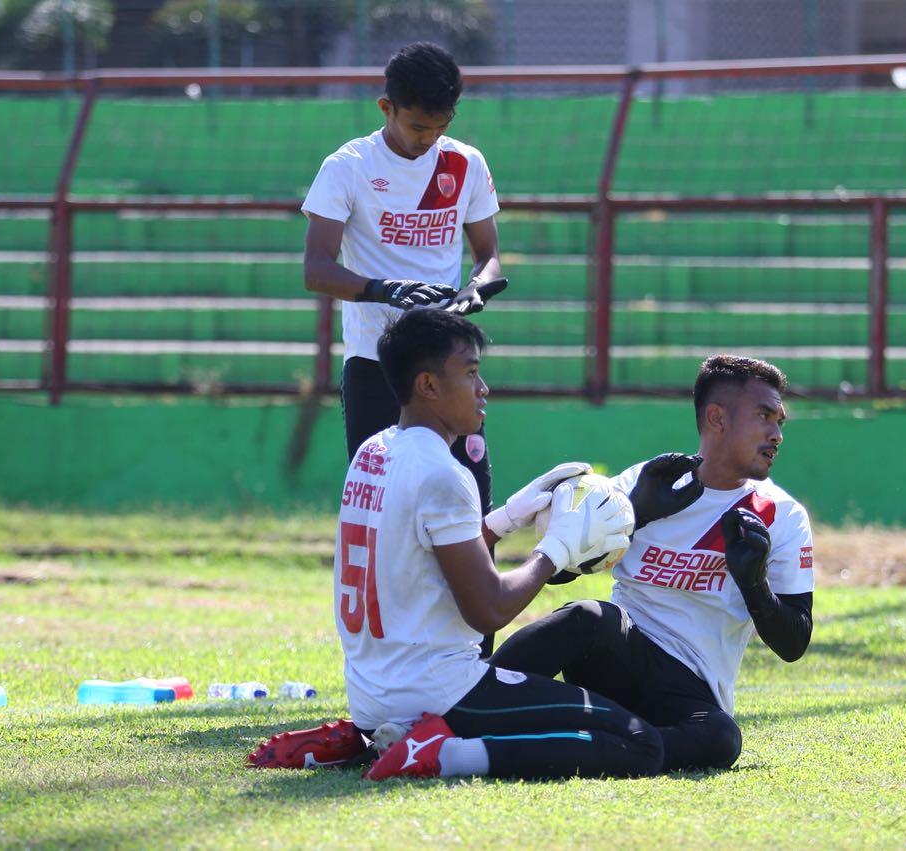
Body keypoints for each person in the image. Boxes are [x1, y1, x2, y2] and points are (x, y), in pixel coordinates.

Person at [250, 308, 666, 781]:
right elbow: (488, 611)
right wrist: (556, 549)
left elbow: (422, 555)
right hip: (438, 691)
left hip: (373, 693)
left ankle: (364, 739)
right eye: (470, 373)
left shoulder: (375, 450)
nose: (483, 388)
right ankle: (439, 755)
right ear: (428, 386)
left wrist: (508, 517)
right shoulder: (444, 474)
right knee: (640, 742)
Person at [489, 354, 816, 772]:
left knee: (721, 738)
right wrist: (637, 513)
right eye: (764, 416)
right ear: (717, 418)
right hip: (617, 658)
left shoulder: (782, 515)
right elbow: (561, 574)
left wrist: (755, 585)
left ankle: (605, 742)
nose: (777, 434)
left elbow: (794, 643)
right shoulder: (647, 481)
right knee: (587, 616)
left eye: (780, 422)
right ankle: (468, 704)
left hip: (690, 692)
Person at [301, 41, 503, 526]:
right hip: (377, 363)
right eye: (417, 126)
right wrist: (381, 289)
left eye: (441, 127)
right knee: (384, 512)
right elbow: (316, 269)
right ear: (385, 108)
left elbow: (489, 255)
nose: (429, 139)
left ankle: (472, 602)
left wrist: (475, 288)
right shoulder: (348, 167)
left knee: (470, 508)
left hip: (449, 365)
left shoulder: (466, 164)